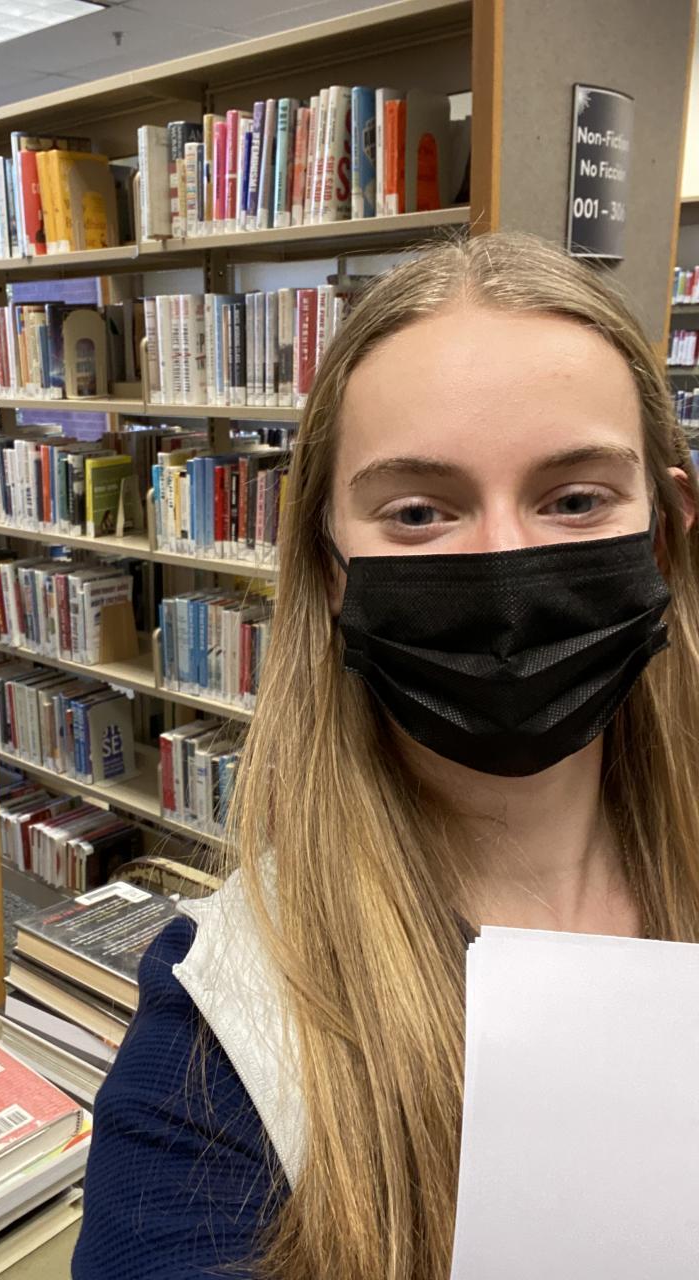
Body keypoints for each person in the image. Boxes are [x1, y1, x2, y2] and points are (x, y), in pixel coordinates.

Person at [71, 231, 699, 1280]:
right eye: (417, 512)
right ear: (330, 569)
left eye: (576, 497)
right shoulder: (221, 1032)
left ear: (667, 533)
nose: (505, 563)